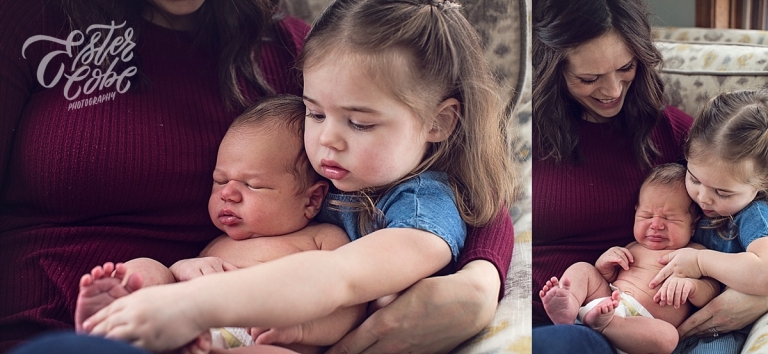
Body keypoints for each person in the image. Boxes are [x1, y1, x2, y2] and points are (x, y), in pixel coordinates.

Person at [0, 0, 515, 352]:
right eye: (314, 116)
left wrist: (480, 276)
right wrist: (180, 296)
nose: (328, 141)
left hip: (224, 316)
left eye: (355, 122)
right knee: (142, 278)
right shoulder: (32, 22)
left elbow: (463, 187)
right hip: (82, 315)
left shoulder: (302, 52)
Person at [531, 0, 768, 353]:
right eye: (589, 78)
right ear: (554, 72)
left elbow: (742, 184)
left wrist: (754, 299)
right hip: (552, 310)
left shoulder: (677, 136)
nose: (612, 91)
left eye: (625, 68)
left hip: (628, 326)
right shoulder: (522, 137)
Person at [74, 95, 366, 353]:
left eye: (253, 185)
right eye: (220, 180)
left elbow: (349, 305)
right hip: (188, 320)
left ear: (311, 200)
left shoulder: (323, 239)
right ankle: (113, 315)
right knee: (148, 269)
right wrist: (182, 268)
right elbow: (181, 280)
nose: (227, 193)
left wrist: (302, 330)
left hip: (264, 338)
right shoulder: (219, 243)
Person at [540, 163, 719, 354]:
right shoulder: (632, 247)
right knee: (583, 269)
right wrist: (604, 267)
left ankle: (606, 324)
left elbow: (713, 289)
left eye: (670, 219)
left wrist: (693, 287)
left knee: (669, 338)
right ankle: (569, 305)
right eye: (646, 216)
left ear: (693, 225)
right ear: (635, 212)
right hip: (607, 301)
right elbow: (607, 279)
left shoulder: (695, 253)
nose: (656, 225)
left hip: (642, 327)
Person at [647, 90, 768, 352]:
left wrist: (699, 261)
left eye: (722, 192)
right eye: (695, 179)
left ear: (761, 184)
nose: (703, 198)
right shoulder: (680, 192)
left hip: (717, 334)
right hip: (658, 324)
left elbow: (764, 272)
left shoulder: (752, 215)